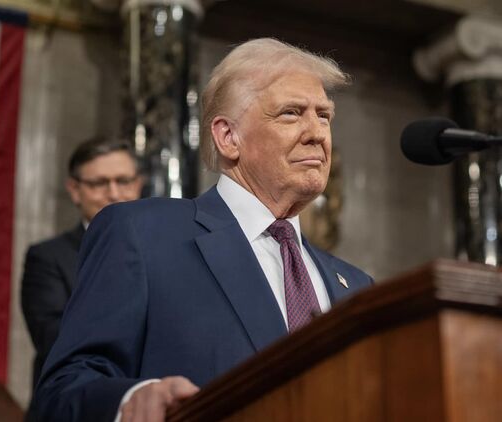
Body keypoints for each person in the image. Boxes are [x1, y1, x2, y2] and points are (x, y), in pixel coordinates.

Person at [31, 38, 374, 422]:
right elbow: (61, 392)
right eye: (291, 113)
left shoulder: (357, 287)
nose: (317, 133)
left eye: (324, 116)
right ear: (228, 137)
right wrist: (132, 400)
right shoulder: (143, 235)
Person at [21, 137, 143, 387]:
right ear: (74, 190)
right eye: (99, 183)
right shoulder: (47, 257)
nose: (114, 194)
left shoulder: (162, 250)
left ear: (138, 184)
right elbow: (54, 340)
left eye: (123, 181)